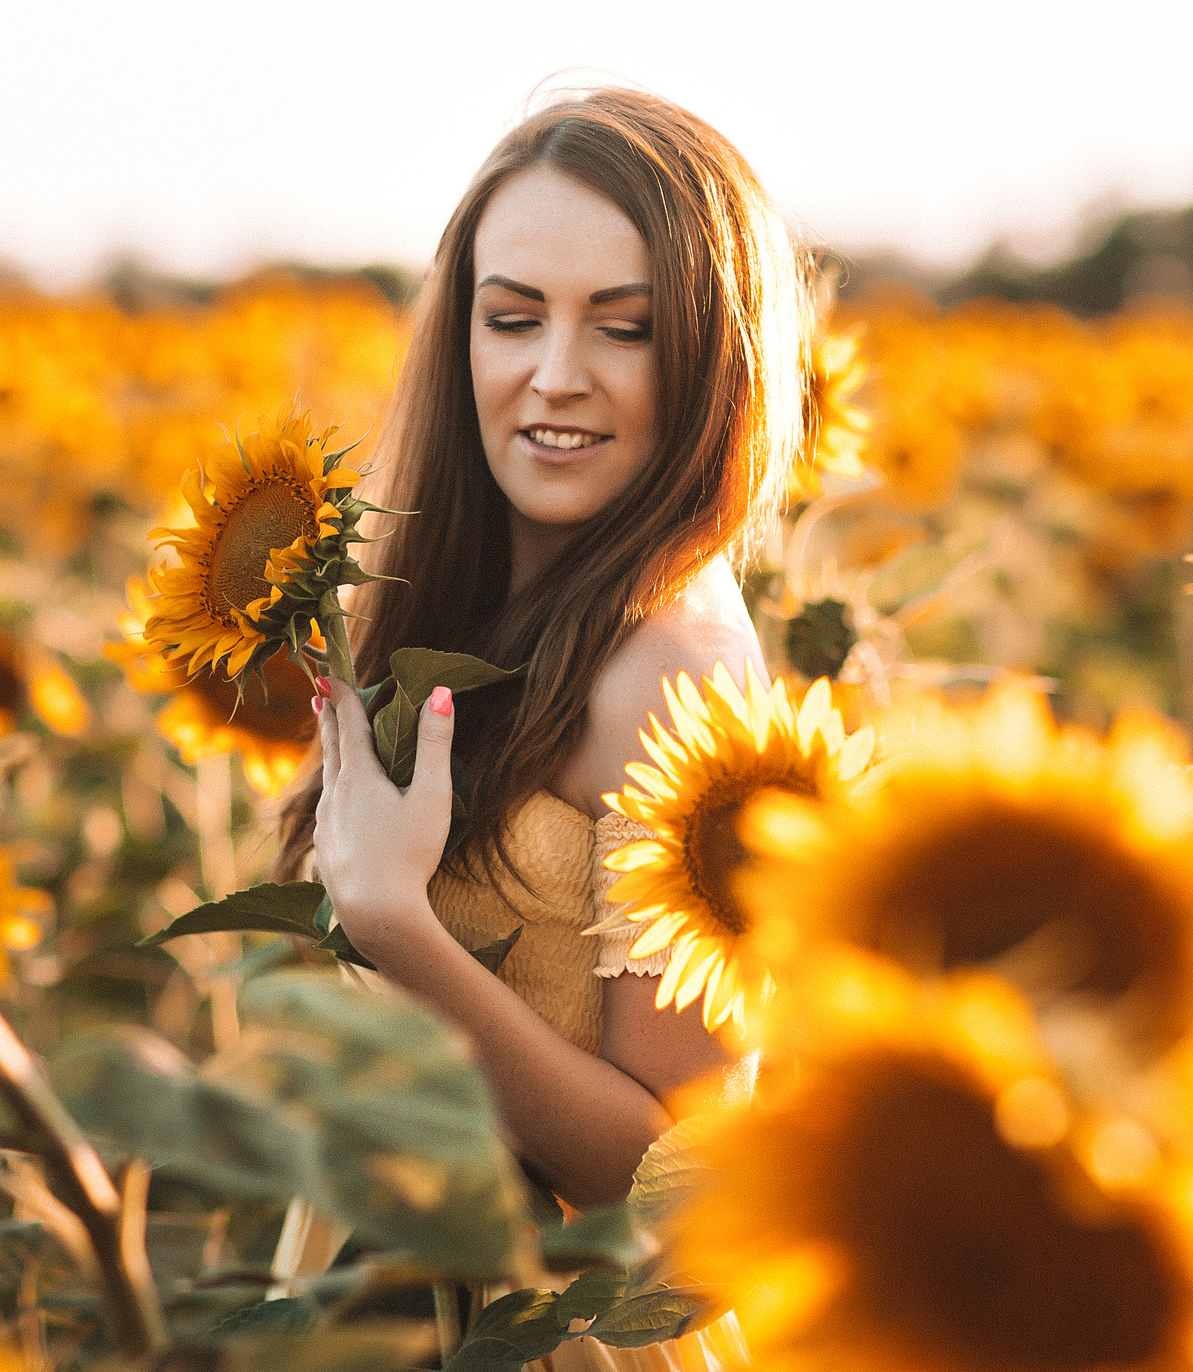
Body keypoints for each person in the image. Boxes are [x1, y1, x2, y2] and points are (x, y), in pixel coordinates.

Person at [274, 86, 809, 1367]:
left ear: (714, 358)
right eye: (512, 318)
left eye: (624, 329)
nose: (555, 375)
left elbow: (673, 1176)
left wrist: (400, 929)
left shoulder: (675, 674)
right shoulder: (475, 601)